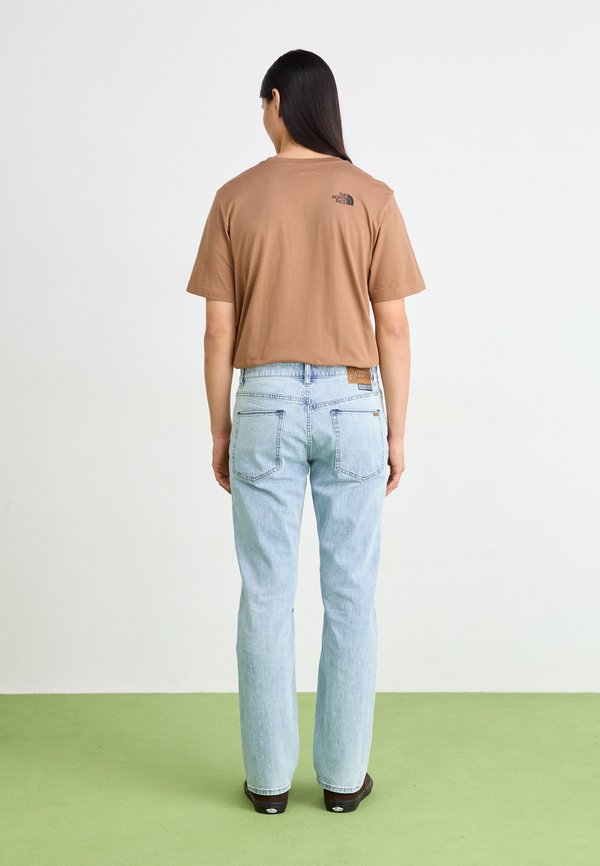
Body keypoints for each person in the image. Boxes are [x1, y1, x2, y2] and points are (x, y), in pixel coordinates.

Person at [185, 49, 426, 814]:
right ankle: (344, 780)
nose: (262, 115)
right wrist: (396, 432)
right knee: (351, 594)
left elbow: (217, 333)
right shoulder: (373, 196)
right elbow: (394, 329)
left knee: (266, 594)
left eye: (263, 104)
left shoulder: (234, 198)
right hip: (355, 403)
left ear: (278, 103)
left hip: (263, 403)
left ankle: (266, 784)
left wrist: (221, 429)